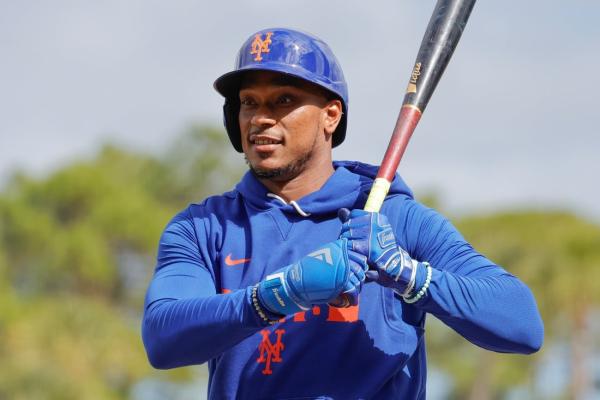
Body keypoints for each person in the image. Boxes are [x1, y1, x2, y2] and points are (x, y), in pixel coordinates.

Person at [141, 28, 544, 399]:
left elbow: (522, 324)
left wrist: (409, 275)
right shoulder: (202, 227)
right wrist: (278, 295)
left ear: (331, 115)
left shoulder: (397, 219)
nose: (260, 118)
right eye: (249, 102)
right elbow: (163, 338)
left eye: (284, 100)